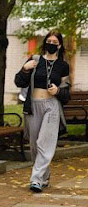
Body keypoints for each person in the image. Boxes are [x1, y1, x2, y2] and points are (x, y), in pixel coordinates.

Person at [14, 31, 70, 193]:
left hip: (51, 106)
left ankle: (36, 180)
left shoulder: (63, 66)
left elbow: (67, 93)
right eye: (49, 40)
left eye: (55, 41)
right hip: (33, 106)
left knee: (44, 142)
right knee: (34, 145)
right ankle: (44, 176)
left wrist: (57, 91)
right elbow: (19, 82)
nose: (51, 43)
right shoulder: (34, 61)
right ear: (45, 43)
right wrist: (25, 69)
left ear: (59, 45)